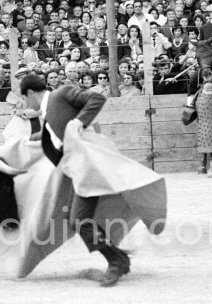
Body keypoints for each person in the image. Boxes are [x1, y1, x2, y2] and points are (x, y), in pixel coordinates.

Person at [20, 75, 131, 287]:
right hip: (78, 170)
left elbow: (97, 98)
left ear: (31, 93)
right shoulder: (49, 111)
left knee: (79, 219)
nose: (26, 104)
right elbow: (53, 132)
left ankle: (117, 260)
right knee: (77, 219)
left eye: (25, 99)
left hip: (87, 168)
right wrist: (25, 141)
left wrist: (80, 121)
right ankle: (118, 258)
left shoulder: (61, 94)